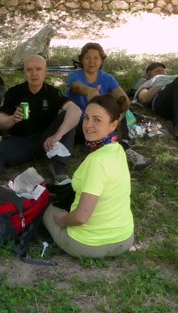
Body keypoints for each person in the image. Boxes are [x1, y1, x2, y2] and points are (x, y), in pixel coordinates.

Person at [0, 54, 82, 193]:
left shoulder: (52, 93)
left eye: (38, 69)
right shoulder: (15, 93)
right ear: (24, 72)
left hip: (47, 140)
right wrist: (12, 119)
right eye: (29, 70)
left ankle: (59, 170)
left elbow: (76, 111)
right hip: (22, 141)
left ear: (45, 72)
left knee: (67, 117)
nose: (34, 74)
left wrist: (58, 134)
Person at [43, 93, 134, 258]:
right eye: (86, 118)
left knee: (46, 209)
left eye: (97, 120)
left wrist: (62, 220)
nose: (88, 125)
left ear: (114, 124)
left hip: (88, 245)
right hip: (124, 239)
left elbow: (81, 217)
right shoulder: (117, 149)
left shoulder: (96, 161)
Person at [66, 42, 148, 171]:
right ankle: (106, 147)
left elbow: (125, 100)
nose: (91, 62)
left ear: (101, 60)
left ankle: (124, 148)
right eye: (87, 58)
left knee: (115, 111)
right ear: (81, 60)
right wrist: (89, 91)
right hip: (81, 124)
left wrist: (119, 116)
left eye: (96, 58)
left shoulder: (107, 78)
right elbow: (76, 87)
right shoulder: (75, 76)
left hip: (103, 124)